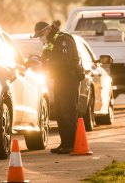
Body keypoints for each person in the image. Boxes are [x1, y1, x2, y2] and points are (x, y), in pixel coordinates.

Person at [32, 21, 82, 154]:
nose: (40, 37)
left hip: (70, 80)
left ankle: (71, 144)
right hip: (59, 79)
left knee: (68, 111)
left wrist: (46, 64)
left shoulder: (63, 39)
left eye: (41, 34)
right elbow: (47, 58)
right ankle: (64, 143)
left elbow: (63, 61)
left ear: (48, 29)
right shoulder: (50, 42)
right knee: (60, 112)